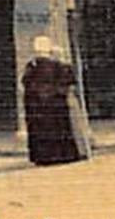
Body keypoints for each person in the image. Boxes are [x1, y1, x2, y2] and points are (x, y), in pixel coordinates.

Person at [21, 35, 83, 166]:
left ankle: (42, 157)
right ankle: (60, 155)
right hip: (54, 104)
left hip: (38, 105)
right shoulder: (56, 65)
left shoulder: (32, 66)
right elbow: (68, 80)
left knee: (41, 132)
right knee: (58, 130)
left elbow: (26, 84)